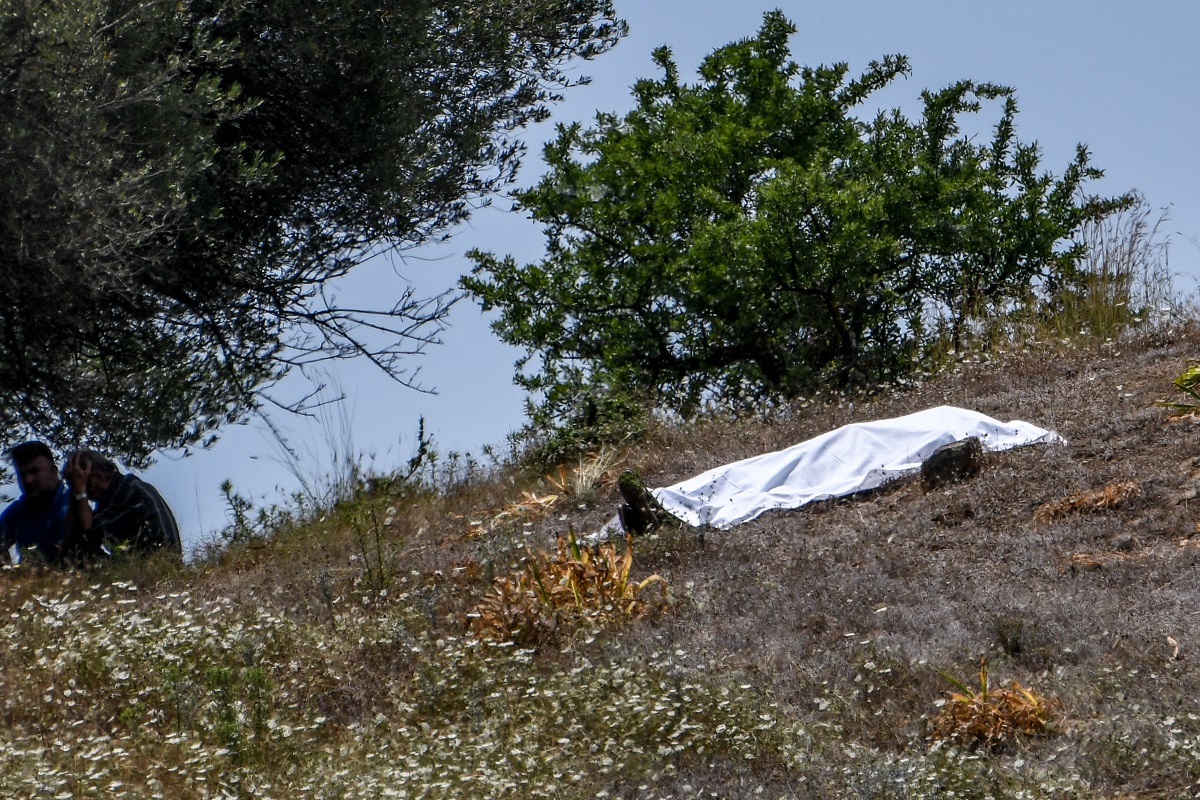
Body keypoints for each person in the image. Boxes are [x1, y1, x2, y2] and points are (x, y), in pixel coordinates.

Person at [63, 450, 182, 558]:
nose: (87, 495)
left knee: (77, 554)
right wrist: (74, 494)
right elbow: (72, 537)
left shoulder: (128, 493)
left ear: (99, 477)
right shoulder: (113, 497)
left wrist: (79, 493)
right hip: (142, 565)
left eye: (86, 485)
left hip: (158, 568)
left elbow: (89, 534)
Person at [0, 441, 71, 563]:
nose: (28, 480)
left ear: (53, 471)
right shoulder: (18, 511)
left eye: (34, 471)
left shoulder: (71, 505)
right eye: (22, 474)